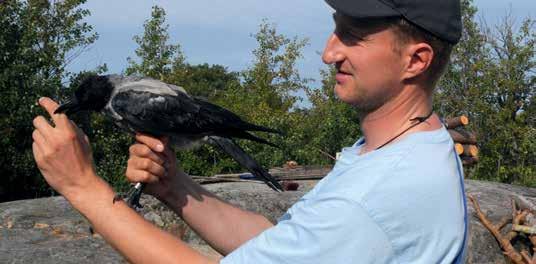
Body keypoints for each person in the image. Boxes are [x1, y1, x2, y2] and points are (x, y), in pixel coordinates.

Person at [31, 0, 467, 263]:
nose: (327, 51)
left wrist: (82, 187)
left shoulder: (373, 199)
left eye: (352, 37)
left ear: (416, 60)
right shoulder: (403, 153)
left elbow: (352, 220)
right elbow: (281, 248)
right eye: (335, 30)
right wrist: (173, 186)